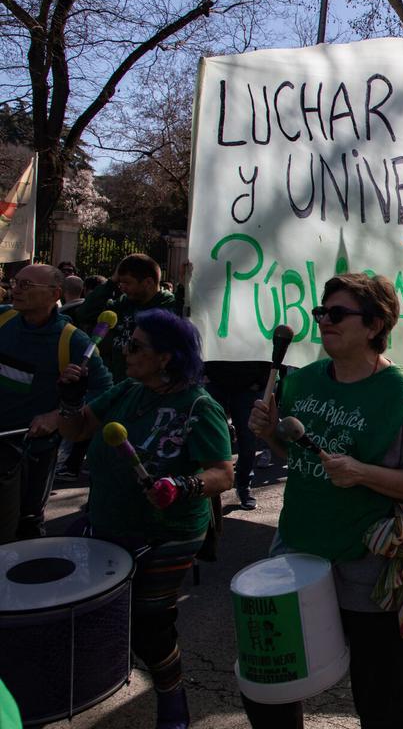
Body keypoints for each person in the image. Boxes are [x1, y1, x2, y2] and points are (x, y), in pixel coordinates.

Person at [246, 273, 403, 729]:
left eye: (338, 314)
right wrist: (270, 433)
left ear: (376, 325)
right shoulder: (303, 382)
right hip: (295, 554)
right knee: (270, 688)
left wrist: (361, 473)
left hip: (367, 574)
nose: (324, 321)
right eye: (321, 312)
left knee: (383, 703)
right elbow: (296, 455)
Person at [57, 308, 233, 728]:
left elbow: (222, 473)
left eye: (135, 346)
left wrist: (181, 486)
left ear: (166, 357)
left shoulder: (198, 407)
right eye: (125, 343)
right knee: (79, 603)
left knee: (151, 623)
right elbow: (76, 430)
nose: (126, 353)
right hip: (108, 520)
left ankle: (172, 695)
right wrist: (70, 399)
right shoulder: (125, 391)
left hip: (167, 534)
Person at [0, 264, 111, 542]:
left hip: (32, 451)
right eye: (16, 282)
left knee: (26, 524)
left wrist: (57, 416)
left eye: (26, 285)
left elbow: (105, 392)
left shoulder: (72, 340)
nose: (16, 289)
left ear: (54, 294)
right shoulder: (3, 320)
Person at [75, 253, 177, 382]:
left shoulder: (169, 308)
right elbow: (85, 313)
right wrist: (111, 282)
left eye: (127, 283)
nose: (122, 287)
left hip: (146, 387)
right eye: (120, 282)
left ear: (148, 282)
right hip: (115, 383)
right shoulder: (122, 304)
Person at [204, 360, 271, 509]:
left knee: (248, 441)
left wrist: (260, 381)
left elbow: (266, 349)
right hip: (217, 383)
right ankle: (211, 489)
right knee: (211, 441)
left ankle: (244, 487)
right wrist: (204, 372)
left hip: (249, 387)